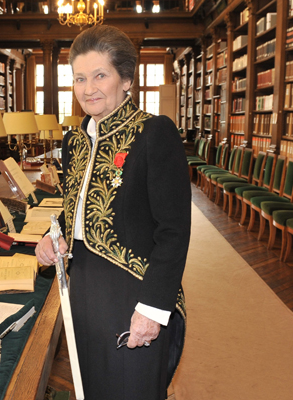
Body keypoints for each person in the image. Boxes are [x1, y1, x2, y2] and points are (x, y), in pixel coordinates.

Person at [35, 25, 191, 400]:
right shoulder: (74, 141)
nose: (88, 88)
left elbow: (174, 230)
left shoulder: (154, 133)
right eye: (79, 78)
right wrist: (54, 238)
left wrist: (152, 309)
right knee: (91, 386)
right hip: (83, 286)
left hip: (135, 290)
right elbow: (75, 210)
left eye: (100, 75)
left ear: (126, 80)